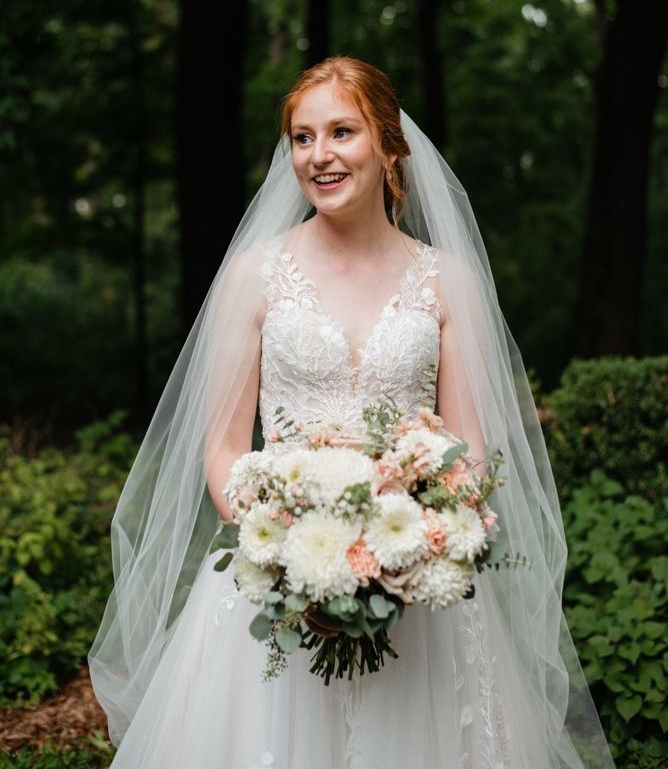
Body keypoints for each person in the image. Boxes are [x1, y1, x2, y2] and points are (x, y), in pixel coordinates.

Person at [89, 56, 616, 768]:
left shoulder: (446, 281)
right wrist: (279, 548)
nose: (320, 155)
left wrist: (419, 544)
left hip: (415, 587)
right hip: (276, 577)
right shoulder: (253, 276)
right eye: (302, 138)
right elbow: (220, 448)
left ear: (388, 144)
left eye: (342, 131)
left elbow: (469, 453)